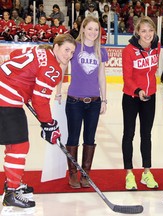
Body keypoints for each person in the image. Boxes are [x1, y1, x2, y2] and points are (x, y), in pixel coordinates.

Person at [0, 34, 76, 213]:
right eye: (66, 50)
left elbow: (15, 55)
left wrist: (23, 82)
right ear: (56, 47)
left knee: (15, 145)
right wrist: (49, 124)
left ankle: (13, 183)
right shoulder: (53, 68)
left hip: (6, 92)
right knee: (19, 146)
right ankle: (11, 192)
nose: (69, 55)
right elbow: (40, 100)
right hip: (6, 97)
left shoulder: (40, 50)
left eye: (72, 52)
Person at [57, 16, 108, 189]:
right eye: (90, 28)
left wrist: (104, 99)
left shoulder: (101, 50)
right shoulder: (75, 47)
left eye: (96, 29)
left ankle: (85, 173)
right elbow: (62, 66)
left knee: (89, 138)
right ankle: (72, 173)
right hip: (74, 101)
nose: (93, 32)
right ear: (83, 29)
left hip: (94, 102)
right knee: (73, 137)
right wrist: (57, 91)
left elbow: (102, 77)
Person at [121, 16, 161, 190]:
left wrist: (148, 90)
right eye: (143, 31)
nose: (147, 34)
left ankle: (146, 172)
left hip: (149, 97)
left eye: (150, 30)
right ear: (137, 32)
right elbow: (127, 77)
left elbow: (153, 72)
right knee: (129, 134)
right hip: (131, 97)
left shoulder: (157, 47)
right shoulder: (128, 50)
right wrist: (138, 91)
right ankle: (129, 174)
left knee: (147, 135)